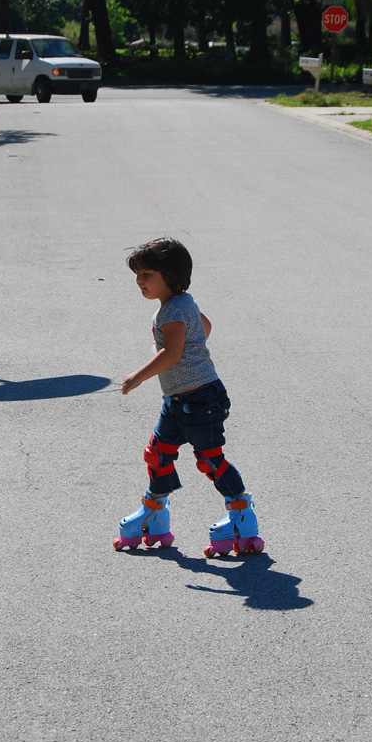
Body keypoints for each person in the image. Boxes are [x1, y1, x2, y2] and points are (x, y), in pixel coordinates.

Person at [115, 237, 264, 558]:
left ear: (169, 275)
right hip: (178, 400)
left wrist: (139, 375)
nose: (139, 280)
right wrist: (189, 343)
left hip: (200, 399)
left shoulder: (172, 312)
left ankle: (242, 517)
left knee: (210, 459)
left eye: (146, 274)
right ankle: (154, 512)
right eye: (137, 274)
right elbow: (205, 327)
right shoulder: (183, 305)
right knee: (158, 453)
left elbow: (172, 353)